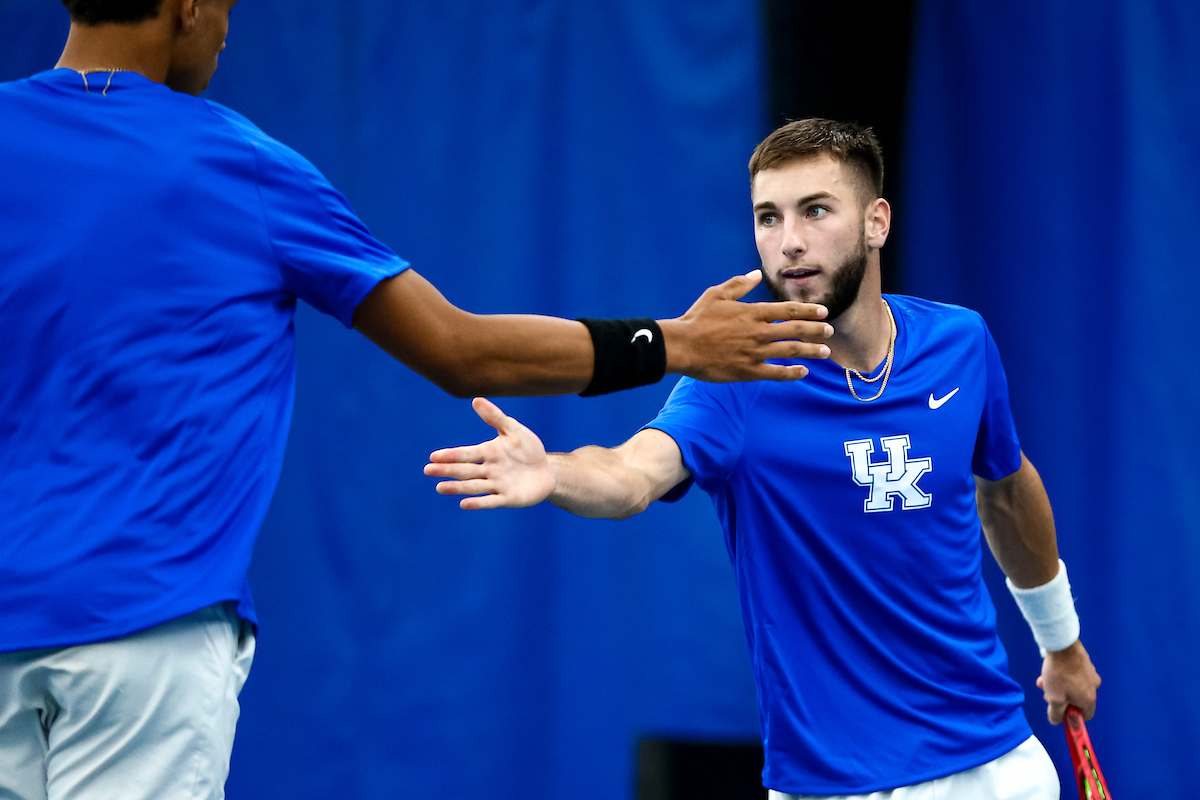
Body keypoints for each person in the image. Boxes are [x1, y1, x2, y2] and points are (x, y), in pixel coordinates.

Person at [0, 2, 834, 798]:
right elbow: (459, 348)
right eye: (227, 3)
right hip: (146, 631)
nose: (226, 32)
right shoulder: (237, 163)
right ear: (185, 3)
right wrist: (673, 342)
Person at [426, 118, 1103, 799]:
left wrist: (1061, 643)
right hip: (833, 784)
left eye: (815, 211)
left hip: (994, 763)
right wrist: (554, 473)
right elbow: (631, 474)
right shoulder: (734, 380)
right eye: (768, 218)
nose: (791, 243)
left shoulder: (961, 342)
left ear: (876, 222)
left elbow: (1007, 492)